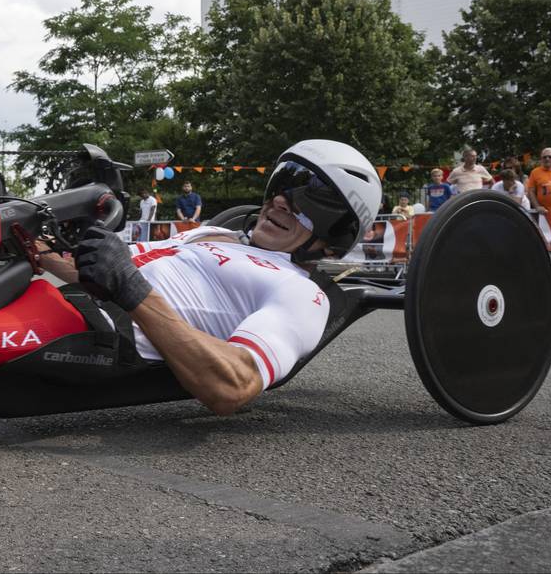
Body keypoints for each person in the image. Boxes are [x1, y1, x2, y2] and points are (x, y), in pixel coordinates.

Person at [38, 139, 381, 415]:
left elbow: (233, 384)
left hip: (96, 330)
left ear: (334, 238)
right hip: (63, 303)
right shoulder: (215, 232)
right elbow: (105, 268)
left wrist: (131, 289)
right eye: (284, 184)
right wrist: (36, 246)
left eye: (308, 203)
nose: (280, 200)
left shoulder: (302, 294)